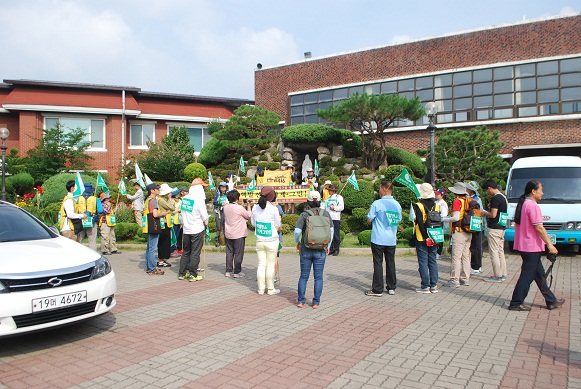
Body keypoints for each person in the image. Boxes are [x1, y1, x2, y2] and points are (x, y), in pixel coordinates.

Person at [508, 180, 565, 311]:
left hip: (525, 245)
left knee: (539, 275)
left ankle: (551, 300)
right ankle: (516, 303)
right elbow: (539, 227)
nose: (542, 194)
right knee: (527, 276)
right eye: (541, 190)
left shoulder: (523, 204)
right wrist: (550, 245)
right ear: (533, 191)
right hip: (531, 246)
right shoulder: (532, 206)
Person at [294, 190, 333, 308]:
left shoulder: (304, 214)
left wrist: (298, 242)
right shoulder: (326, 214)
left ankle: (301, 301)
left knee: (304, 276)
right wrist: (328, 246)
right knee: (318, 277)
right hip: (321, 249)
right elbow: (331, 230)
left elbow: (297, 231)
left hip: (306, 248)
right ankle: (316, 302)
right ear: (320, 201)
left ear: (308, 201)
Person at [365, 181, 402, 296]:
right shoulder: (397, 204)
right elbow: (399, 220)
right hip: (391, 238)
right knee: (391, 262)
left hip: (378, 238)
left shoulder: (377, 203)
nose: (379, 191)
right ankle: (391, 287)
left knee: (378, 262)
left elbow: (369, 219)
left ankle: (377, 289)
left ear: (384, 189)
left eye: (380, 188)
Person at [251, 186, 282, 295]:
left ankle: (260, 289)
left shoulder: (255, 208)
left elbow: (253, 224)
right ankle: (270, 289)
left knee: (261, 265)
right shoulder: (274, 209)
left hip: (260, 240)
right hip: (272, 240)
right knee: (270, 265)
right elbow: (278, 224)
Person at [178, 178, 209, 282]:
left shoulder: (185, 199)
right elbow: (204, 216)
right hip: (197, 229)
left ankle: (182, 273)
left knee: (186, 251)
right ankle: (193, 274)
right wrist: (206, 223)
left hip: (186, 229)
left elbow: (182, 215)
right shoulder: (199, 200)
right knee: (195, 252)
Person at [442, 182, 472, 288]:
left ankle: (454, 279)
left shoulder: (457, 201)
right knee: (466, 256)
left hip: (459, 231)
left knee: (456, 256)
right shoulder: (469, 201)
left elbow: (456, 218)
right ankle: (465, 278)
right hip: (469, 231)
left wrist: (444, 219)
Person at [412, 183, 440, 294]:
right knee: (432, 261)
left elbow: (419, 222)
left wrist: (425, 237)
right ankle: (434, 285)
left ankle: (424, 286)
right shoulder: (436, 205)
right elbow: (438, 222)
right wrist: (433, 237)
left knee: (423, 262)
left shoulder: (418, 205)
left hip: (421, 237)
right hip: (434, 236)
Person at [481, 179, 508, 282]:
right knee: (500, 251)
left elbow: (493, 214)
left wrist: (484, 213)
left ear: (490, 188)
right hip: (502, 227)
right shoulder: (503, 197)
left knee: (494, 252)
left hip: (494, 228)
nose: (487, 193)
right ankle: (503, 273)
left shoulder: (495, 199)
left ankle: (497, 275)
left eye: (487, 191)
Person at [223, 189, 252, 278]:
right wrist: (248, 205)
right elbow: (248, 215)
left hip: (228, 232)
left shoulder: (226, 207)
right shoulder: (239, 208)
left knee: (229, 252)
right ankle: (237, 271)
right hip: (238, 233)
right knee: (238, 253)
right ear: (237, 198)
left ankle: (228, 270)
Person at [143, 183, 165, 275]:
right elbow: (155, 214)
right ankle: (152, 269)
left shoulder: (147, 200)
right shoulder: (153, 200)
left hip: (148, 224)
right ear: (152, 190)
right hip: (154, 225)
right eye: (157, 189)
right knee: (152, 248)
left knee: (149, 248)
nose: (158, 190)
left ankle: (149, 267)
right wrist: (164, 213)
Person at [465, 181, 483, 274]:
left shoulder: (472, 200)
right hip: (478, 223)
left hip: (473, 224)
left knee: (475, 246)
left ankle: (475, 267)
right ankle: (478, 265)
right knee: (477, 245)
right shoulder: (478, 199)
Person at [75, 183, 99, 251]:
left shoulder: (78, 199)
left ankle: (78, 252)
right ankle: (93, 253)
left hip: (81, 220)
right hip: (92, 220)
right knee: (92, 239)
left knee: (80, 238)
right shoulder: (95, 199)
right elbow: (100, 210)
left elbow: (75, 209)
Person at [156, 184, 176, 268]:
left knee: (166, 241)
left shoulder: (164, 199)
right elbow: (171, 207)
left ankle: (163, 258)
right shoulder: (161, 200)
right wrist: (171, 200)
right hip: (162, 222)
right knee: (163, 241)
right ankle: (161, 259)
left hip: (166, 222)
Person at [321, 184, 344, 256]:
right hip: (328, 218)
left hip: (335, 218)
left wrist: (334, 207)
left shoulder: (339, 197)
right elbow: (323, 208)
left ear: (333, 191)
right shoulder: (327, 199)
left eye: (330, 190)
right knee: (329, 234)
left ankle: (336, 249)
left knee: (336, 235)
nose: (329, 192)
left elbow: (341, 207)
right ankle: (330, 249)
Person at [212, 182, 229, 247]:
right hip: (218, 212)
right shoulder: (218, 194)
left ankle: (225, 241)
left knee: (225, 227)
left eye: (224, 187)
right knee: (218, 227)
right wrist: (221, 205)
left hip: (226, 212)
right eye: (221, 187)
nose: (223, 188)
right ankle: (217, 241)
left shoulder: (228, 194)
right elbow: (214, 202)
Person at [435, 188, 449, 258]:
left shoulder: (443, 203)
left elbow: (444, 215)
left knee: (439, 237)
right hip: (435, 222)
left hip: (440, 222)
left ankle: (439, 252)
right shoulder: (435, 202)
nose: (436, 195)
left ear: (442, 195)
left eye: (438, 194)